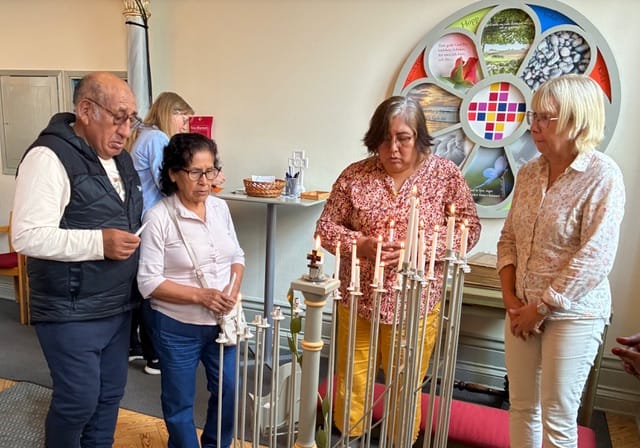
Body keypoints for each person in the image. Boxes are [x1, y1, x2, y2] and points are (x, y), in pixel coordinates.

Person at [315, 95, 480, 442]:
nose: (392, 148)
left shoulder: (444, 175)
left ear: (419, 137)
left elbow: (470, 230)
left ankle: (399, 441)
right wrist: (361, 244)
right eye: (384, 139)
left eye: (403, 138)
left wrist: (420, 247)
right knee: (352, 378)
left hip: (415, 304)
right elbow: (325, 228)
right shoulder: (356, 175)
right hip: (357, 300)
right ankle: (349, 439)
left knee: (405, 385)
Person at [11, 71, 143, 448]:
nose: (126, 130)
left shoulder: (122, 159)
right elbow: (26, 235)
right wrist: (99, 243)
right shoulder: (48, 157)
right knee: (78, 402)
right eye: (118, 118)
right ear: (86, 110)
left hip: (117, 304)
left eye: (132, 120)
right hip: (70, 308)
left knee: (109, 396)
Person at [497, 74, 625, 447]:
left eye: (545, 117)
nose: (534, 126)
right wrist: (511, 300)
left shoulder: (603, 175)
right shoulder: (529, 172)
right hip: (521, 308)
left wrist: (541, 307)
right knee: (522, 407)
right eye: (533, 115)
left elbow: (595, 257)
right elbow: (509, 239)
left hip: (573, 314)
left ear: (577, 121)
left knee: (557, 418)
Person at [137, 132, 244, 448]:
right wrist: (202, 296)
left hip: (222, 325)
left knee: (228, 390)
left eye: (210, 171)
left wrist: (232, 291)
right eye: (195, 172)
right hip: (176, 327)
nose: (205, 181)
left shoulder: (220, 208)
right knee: (179, 402)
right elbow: (148, 282)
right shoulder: (158, 217)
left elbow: (237, 256)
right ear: (173, 173)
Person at [128, 92, 196, 374]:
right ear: (171, 113)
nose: (185, 124)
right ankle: (155, 356)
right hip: (151, 221)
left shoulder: (143, 135)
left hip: (137, 219)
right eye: (184, 118)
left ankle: (133, 346)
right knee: (152, 286)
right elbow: (165, 183)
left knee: (138, 285)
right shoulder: (157, 138)